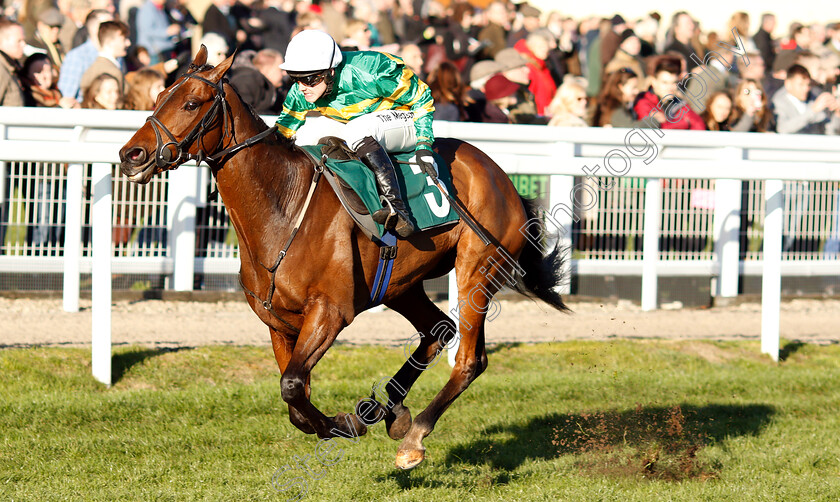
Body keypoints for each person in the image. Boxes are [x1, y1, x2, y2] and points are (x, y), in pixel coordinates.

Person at [275, 29, 435, 238]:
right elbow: (283, 131)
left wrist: (424, 144)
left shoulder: (372, 70)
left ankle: (396, 207)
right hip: (360, 126)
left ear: (331, 72)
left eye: (310, 79)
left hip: (407, 119)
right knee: (307, 136)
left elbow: (422, 98)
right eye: (295, 78)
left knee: (358, 130)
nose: (302, 87)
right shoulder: (302, 90)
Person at [772, 64, 840, 134]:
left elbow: (829, 132)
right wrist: (812, 110)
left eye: (808, 84)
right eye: (801, 84)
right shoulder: (779, 103)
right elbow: (783, 129)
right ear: (788, 84)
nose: (806, 89)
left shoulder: (812, 100)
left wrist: (837, 114)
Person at [80, 20, 129, 98]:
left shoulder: (92, 68)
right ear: (110, 42)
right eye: (124, 39)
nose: (128, 43)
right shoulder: (113, 71)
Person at [0, 18, 26, 106]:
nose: (23, 44)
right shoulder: (1, 69)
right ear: (2, 41)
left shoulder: (10, 66)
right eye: (19, 41)